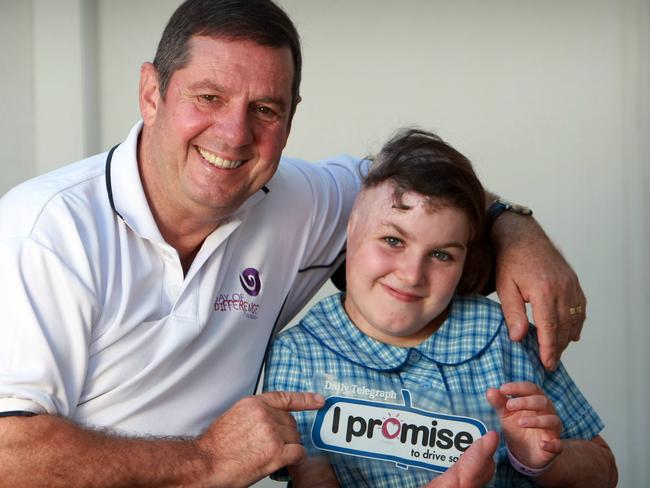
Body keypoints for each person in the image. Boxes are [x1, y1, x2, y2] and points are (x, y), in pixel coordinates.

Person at [0, 0, 586, 486]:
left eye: (265, 109)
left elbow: (418, 194)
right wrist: (206, 458)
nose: (234, 135)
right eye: (208, 97)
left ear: (291, 116)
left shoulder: (303, 200)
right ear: (151, 92)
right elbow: (8, 452)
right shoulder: (45, 230)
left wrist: (515, 227)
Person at [263, 129, 617, 487]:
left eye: (441, 254)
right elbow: (310, 477)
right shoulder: (300, 353)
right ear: (351, 229)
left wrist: (541, 462)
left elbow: (605, 470)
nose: (412, 274)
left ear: (465, 259)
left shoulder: (504, 338)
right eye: (392, 240)